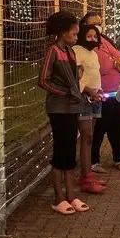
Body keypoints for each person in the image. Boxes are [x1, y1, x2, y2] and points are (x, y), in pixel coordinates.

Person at [40, 11, 101, 214]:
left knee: (70, 151)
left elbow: (75, 82)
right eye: (74, 33)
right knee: (61, 151)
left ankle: (71, 195)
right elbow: (43, 80)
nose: (76, 37)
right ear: (63, 32)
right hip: (58, 108)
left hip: (72, 107)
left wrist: (84, 92)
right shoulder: (54, 51)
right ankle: (58, 197)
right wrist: (64, 92)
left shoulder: (70, 52)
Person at [81, 12, 120, 177]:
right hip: (99, 94)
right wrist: (113, 64)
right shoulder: (83, 47)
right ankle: (93, 160)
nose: (97, 27)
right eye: (93, 24)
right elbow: (97, 68)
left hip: (117, 91)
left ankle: (119, 157)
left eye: (99, 23)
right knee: (99, 128)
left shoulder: (104, 40)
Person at [72, 24, 107, 194]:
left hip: (95, 98)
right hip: (84, 99)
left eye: (95, 36)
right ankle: (86, 177)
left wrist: (98, 91)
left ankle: (87, 174)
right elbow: (76, 78)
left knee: (90, 137)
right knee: (86, 137)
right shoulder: (77, 51)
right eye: (89, 36)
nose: (93, 39)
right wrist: (89, 91)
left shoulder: (93, 53)